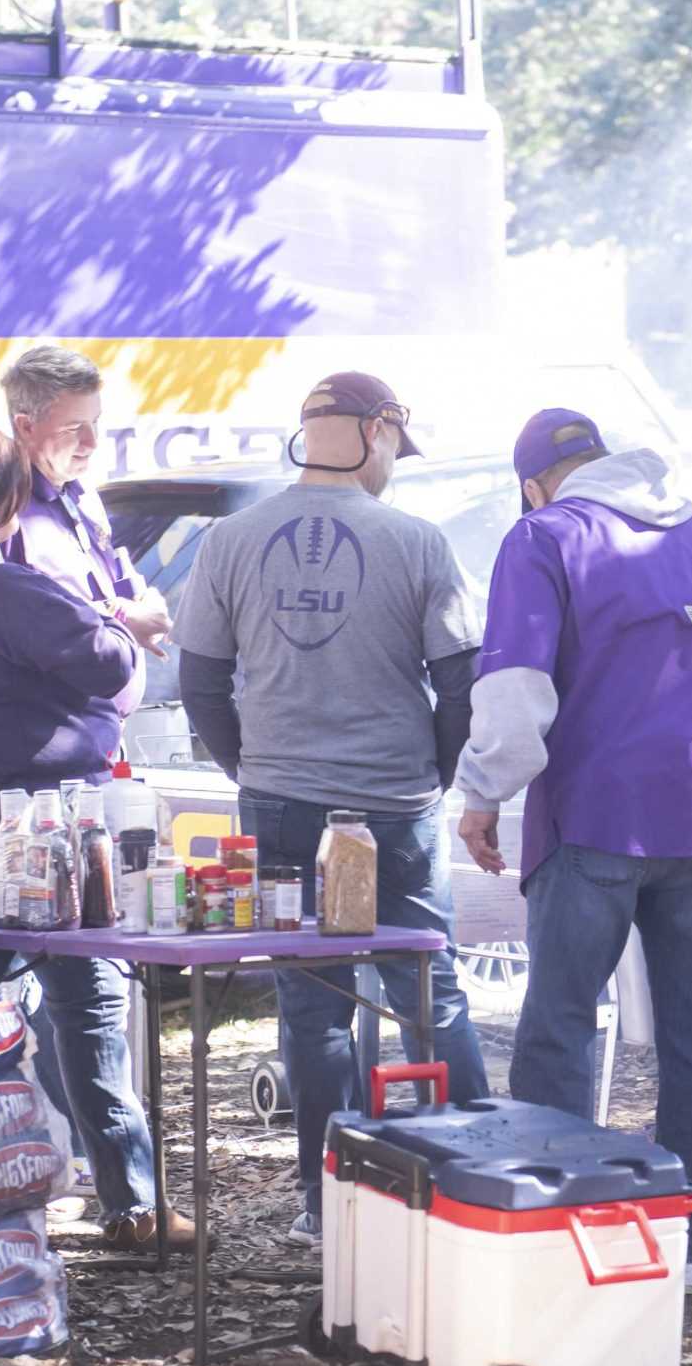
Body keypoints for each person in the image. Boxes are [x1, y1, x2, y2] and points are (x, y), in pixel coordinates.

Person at [454, 410, 692, 1268]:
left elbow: (515, 689)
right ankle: (683, 1240)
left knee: (561, 1026)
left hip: (597, 816)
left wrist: (480, 793)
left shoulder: (542, 535)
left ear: (534, 482)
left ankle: (557, 1234)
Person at [176, 371, 490, 1250]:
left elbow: (200, 679)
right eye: (398, 444)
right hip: (394, 801)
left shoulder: (230, 539)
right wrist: (435, 770)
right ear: (379, 429)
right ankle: (466, 1186)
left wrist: (257, 766)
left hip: (280, 803)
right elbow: (459, 679)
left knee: (312, 1004)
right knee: (431, 990)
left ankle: (330, 1206)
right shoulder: (418, 541)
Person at [0, 422, 195, 1251]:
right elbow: (111, 665)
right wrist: (126, 626)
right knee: (90, 1010)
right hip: (49, 831)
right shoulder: (3, 588)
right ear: (2, 501)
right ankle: (132, 1202)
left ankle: (1, 1198)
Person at [0, 344, 174, 661]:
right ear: (26, 426)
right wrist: (119, 617)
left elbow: (117, 585)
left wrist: (146, 603)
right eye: (74, 427)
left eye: (95, 422)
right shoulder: (4, 510)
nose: (92, 442)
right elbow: (9, 622)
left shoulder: (83, 495)